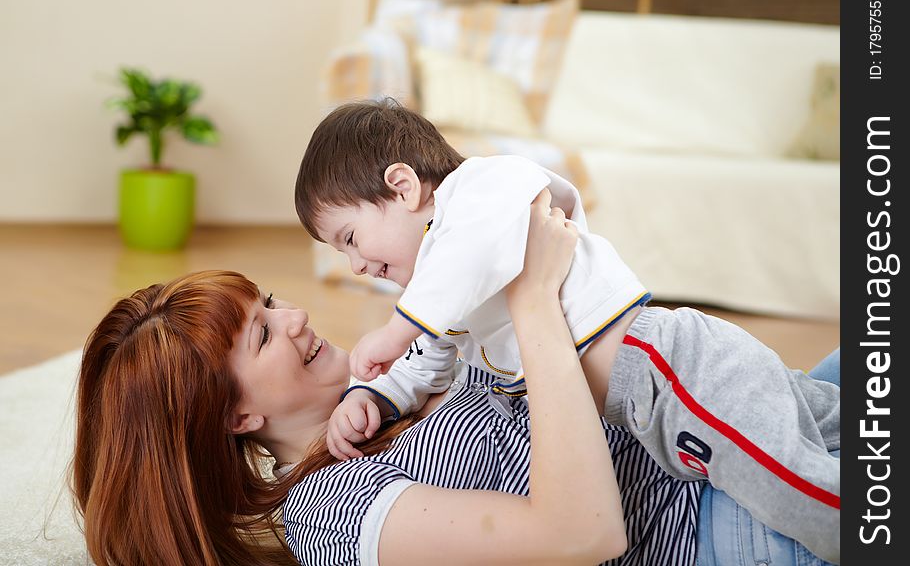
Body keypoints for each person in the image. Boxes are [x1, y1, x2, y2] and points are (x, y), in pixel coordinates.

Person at [72, 195, 838, 565]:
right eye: (264, 335)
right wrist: (532, 298)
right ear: (234, 416)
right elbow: (586, 536)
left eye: (269, 302)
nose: (299, 316)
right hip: (719, 523)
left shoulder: (391, 384)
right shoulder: (331, 515)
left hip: (728, 426)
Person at [294, 98, 840, 562]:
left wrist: (393, 329)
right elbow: (427, 358)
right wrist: (380, 393)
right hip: (648, 402)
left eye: (349, 238)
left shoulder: (482, 189)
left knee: (793, 484)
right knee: (829, 424)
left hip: (670, 370)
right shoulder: (449, 297)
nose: (356, 266)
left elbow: (470, 255)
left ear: (403, 186)